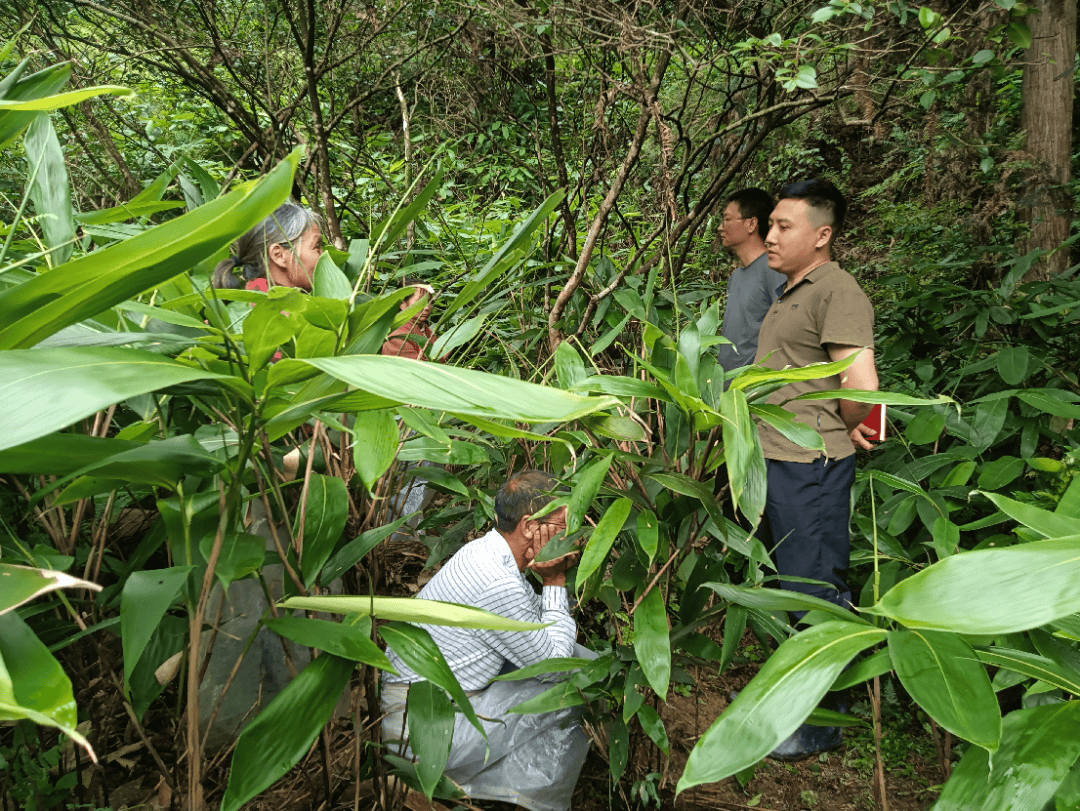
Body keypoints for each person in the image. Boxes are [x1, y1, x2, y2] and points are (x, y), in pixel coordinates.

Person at [752, 178, 878, 758]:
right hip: (781, 462)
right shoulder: (792, 291)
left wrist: (848, 419)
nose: (769, 235)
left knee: (814, 590)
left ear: (822, 235)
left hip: (812, 465)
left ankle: (822, 722)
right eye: (769, 224)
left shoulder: (838, 290)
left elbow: (861, 386)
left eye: (783, 226)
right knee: (792, 587)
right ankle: (797, 704)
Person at [381, 470, 593, 811]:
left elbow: (538, 623)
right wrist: (555, 581)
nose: (574, 537)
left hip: (417, 706)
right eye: (564, 526)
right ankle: (514, 797)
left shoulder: (485, 552)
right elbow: (554, 666)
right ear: (529, 527)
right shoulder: (498, 582)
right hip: (421, 731)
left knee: (582, 660)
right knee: (575, 689)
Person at [717, 188, 787, 376]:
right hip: (729, 391)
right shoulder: (736, 277)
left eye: (727, 219)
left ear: (751, 224)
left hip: (755, 391)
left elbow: (787, 333)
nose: (720, 227)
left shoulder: (774, 270)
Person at [211, 202, 323, 291]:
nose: (323, 257)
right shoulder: (280, 313)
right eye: (316, 248)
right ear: (278, 255)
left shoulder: (246, 303)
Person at [381, 281, 439, 360]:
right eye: (420, 302)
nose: (427, 307)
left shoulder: (423, 328)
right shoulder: (397, 336)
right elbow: (417, 368)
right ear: (402, 304)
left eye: (430, 302)